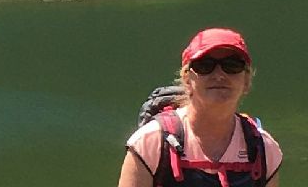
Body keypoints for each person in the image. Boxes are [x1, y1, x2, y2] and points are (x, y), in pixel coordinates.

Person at [118, 28, 283, 187]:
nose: (219, 75)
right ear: (187, 79)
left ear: (246, 80)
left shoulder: (263, 149)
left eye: (232, 65)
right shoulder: (151, 143)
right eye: (204, 66)